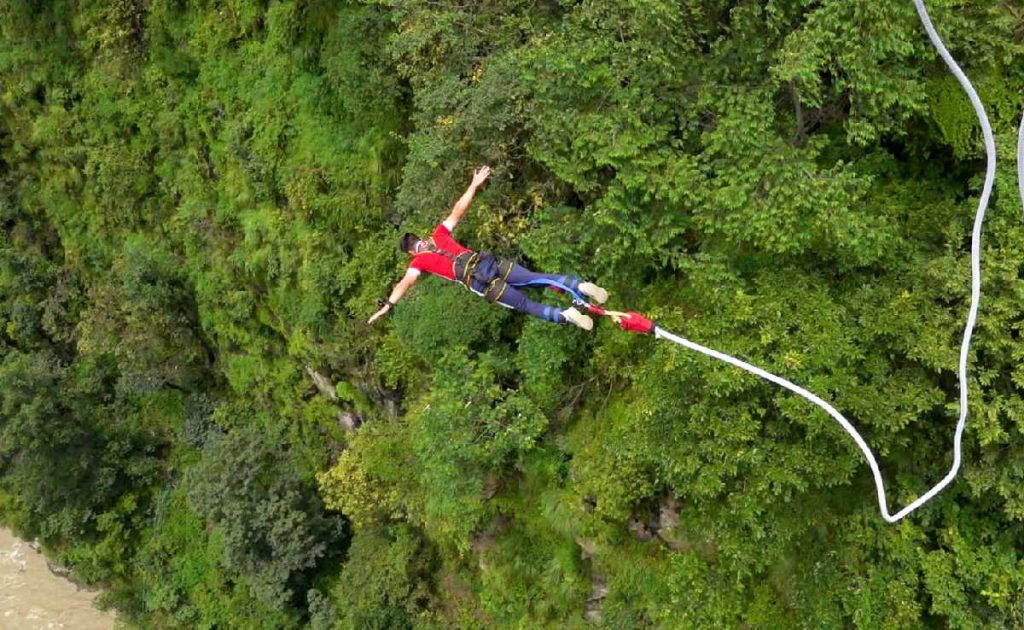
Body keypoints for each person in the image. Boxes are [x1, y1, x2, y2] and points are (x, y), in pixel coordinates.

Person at [368, 166, 608, 330]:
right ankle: (579, 285)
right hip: (488, 263)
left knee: (525, 305)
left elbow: (405, 283)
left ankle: (566, 315)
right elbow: (458, 210)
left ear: (411, 252)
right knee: (536, 278)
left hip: (480, 282)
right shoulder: (438, 234)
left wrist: (389, 304)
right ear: (419, 238)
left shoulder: (418, 262)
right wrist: (474, 185)